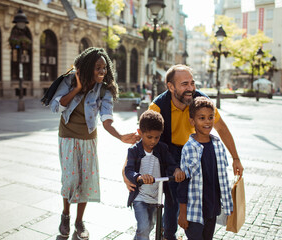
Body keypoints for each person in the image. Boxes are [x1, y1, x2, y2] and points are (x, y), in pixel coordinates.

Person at [123, 64, 243, 240]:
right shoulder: (158, 106)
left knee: (199, 194)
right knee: (172, 200)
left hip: (194, 152)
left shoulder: (201, 101)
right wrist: (126, 170)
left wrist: (236, 158)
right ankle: (168, 235)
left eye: (192, 83)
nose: (190, 88)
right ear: (171, 87)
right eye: (184, 84)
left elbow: (222, 128)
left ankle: (199, 228)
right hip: (168, 153)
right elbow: (142, 140)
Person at [50, 47, 138, 239]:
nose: (102, 71)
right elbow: (56, 107)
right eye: (98, 67)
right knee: (70, 179)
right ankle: (66, 215)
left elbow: (107, 120)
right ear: (89, 67)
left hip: (88, 139)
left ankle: (79, 222)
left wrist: (121, 136)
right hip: (67, 136)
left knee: (85, 181)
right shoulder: (70, 80)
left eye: (104, 68)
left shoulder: (104, 90)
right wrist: (78, 89)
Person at [177, 97, 233, 240]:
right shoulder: (188, 149)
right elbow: (183, 183)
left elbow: (223, 177)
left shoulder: (218, 145)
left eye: (210, 117)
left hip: (212, 208)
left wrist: (228, 203)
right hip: (194, 211)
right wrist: (182, 213)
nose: (207, 122)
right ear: (192, 121)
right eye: (202, 118)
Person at [125, 110, 185, 240]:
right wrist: (139, 177)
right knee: (144, 226)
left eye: (157, 137)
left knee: (150, 226)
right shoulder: (134, 150)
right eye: (149, 137)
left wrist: (176, 170)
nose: (153, 141)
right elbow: (128, 170)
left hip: (155, 198)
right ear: (140, 132)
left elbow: (171, 163)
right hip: (140, 197)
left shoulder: (162, 149)